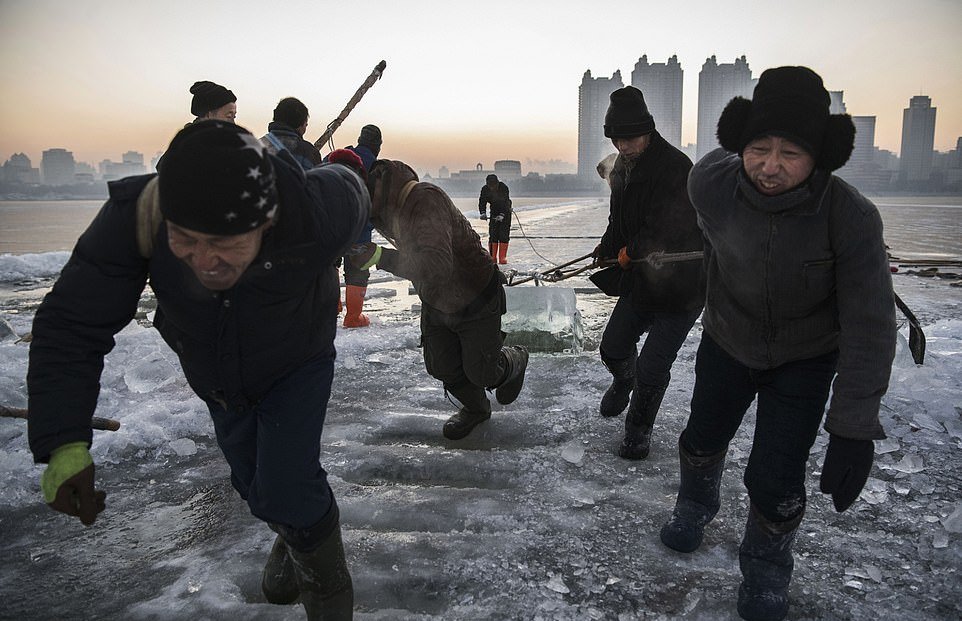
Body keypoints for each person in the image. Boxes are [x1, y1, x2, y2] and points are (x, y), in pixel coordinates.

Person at [27, 121, 370, 620]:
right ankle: (294, 530)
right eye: (185, 241)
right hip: (214, 368)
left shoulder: (315, 211)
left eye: (226, 243)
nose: (204, 262)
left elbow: (355, 185)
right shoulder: (142, 213)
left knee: (288, 485)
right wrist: (63, 443)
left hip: (298, 358)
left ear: (267, 221)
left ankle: (329, 597)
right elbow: (72, 324)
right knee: (253, 485)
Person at [658, 66, 896, 621]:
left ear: (821, 157)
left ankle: (766, 568)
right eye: (758, 147)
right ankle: (695, 502)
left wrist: (854, 429)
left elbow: (870, 326)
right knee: (701, 437)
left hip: (805, 358)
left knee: (776, 475)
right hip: (727, 337)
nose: (770, 166)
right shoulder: (710, 184)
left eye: (791, 152)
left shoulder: (851, 217)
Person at [352, 159, 529, 440]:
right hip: (437, 301)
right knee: (441, 365)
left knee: (481, 372)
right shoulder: (384, 210)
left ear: (379, 188)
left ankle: (514, 360)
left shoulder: (424, 199)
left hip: (476, 296)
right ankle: (476, 409)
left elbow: (437, 265)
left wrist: (379, 256)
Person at [591, 86, 705, 461]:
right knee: (613, 348)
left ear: (649, 130)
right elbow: (618, 222)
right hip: (642, 284)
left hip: (681, 288)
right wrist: (607, 251)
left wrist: (632, 252)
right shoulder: (620, 169)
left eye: (630, 138)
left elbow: (670, 226)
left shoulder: (676, 167)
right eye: (618, 139)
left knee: (654, 368)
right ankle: (624, 379)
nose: (624, 146)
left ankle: (638, 432)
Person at [263, 97, 322, 170]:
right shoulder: (309, 152)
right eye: (306, 123)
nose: (306, 127)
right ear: (299, 123)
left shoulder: (255, 146)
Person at [478, 174, 512, 264]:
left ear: (497, 183)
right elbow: (482, 201)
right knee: (493, 235)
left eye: (493, 186)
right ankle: (492, 258)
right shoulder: (485, 189)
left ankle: (502, 258)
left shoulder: (503, 187)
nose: (492, 188)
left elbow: (505, 202)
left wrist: (502, 215)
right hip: (494, 211)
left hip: (505, 210)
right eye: (490, 186)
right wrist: (482, 213)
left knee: (503, 235)